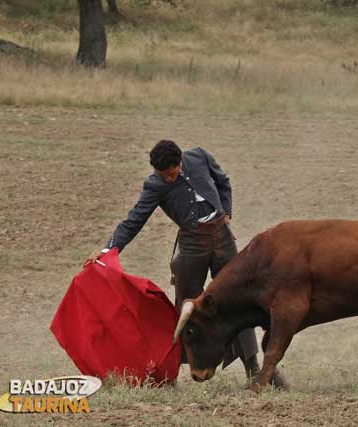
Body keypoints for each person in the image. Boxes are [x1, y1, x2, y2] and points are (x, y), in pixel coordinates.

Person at [85, 140, 286, 387]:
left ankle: (254, 368)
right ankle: (171, 376)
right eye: (163, 176)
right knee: (185, 308)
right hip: (192, 244)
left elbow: (223, 181)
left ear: (180, 162)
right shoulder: (155, 184)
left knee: (239, 302)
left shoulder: (199, 157)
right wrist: (108, 250)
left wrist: (226, 212)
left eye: (171, 174)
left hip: (222, 237)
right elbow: (134, 220)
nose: (168, 179)